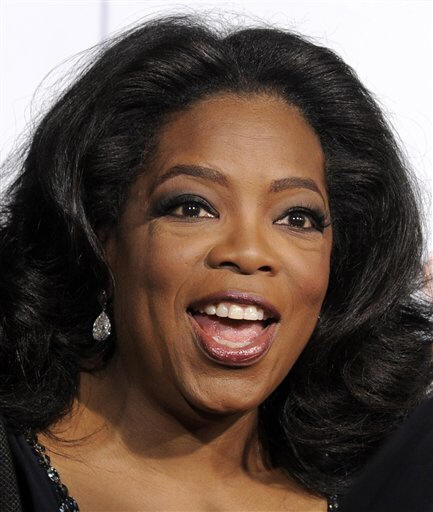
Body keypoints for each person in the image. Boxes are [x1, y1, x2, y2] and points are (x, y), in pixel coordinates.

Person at [0, 15, 432, 512]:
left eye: (297, 218)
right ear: (102, 239)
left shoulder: (399, 482)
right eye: (192, 208)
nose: (249, 252)